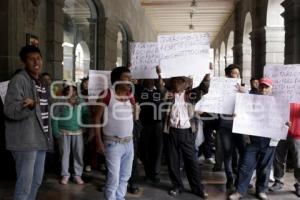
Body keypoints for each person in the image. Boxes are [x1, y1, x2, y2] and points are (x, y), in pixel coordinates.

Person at [4, 45, 53, 200]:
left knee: (36, 182)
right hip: (25, 141)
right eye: (31, 59)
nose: (36, 62)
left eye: (38, 58)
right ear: (24, 62)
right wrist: (29, 106)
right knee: (25, 185)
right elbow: (10, 110)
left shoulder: (42, 83)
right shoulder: (19, 80)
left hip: (40, 140)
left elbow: (47, 109)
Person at [229, 78, 290, 200]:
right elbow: (242, 111)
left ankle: (262, 190)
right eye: (261, 87)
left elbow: (282, 120)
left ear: (271, 88)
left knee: (265, 168)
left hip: (269, 141)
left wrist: (286, 123)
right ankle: (240, 191)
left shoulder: (278, 103)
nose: (263, 89)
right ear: (258, 87)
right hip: (252, 140)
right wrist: (237, 115)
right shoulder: (251, 100)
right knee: (245, 166)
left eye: (266, 87)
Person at [94, 67, 139, 200]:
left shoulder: (130, 96)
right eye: (127, 78)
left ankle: (120, 198)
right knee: (113, 179)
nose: (130, 81)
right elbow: (96, 119)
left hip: (129, 143)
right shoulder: (107, 94)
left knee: (125, 177)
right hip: (112, 144)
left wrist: (136, 112)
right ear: (117, 80)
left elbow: (133, 118)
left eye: (131, 78)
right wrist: (99, 142)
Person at [162, 76, 207, 199]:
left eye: (180, 82)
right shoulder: (168, 95)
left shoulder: (190, 95)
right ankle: (177, 186)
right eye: (174, 82)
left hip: (186, 132)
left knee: (192, 161)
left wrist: (207, 75)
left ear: (185, 84)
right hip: (171, 132)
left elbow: (204, 87)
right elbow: (161, 88)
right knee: (173, 161)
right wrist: (160, 76)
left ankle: (197, 188)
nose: (177, 84)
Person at [52, 83, 88, 185]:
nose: (71, 94)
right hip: (63, 132)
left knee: (78, 154)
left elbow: (86, 114)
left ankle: (77, 175)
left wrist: (86, 127)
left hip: (78, 132)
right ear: (65, 93)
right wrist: (55, 131)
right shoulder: (60, 102)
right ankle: (65, 175)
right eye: (68, 92)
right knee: (64, 154)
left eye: (73, 92)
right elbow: (54, 117)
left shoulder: (81, 102)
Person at [218, 64, 246, 192]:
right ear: (228, 75)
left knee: (243, 152)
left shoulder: (242, 88)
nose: (237, 75)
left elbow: (250, 104)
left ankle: (240, 178)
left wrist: (243, 93)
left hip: (239, 124)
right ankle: (229, 178)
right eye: (234, 73)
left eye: (238, 73)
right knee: (228, 152)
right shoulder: (220, 88)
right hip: (225, 125)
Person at [138, 66, 165, 184]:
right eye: (147, 80)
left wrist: (159, 74)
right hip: (145, 125)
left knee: (157, 150)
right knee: (144, 150)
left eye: (152, 80)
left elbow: (161, 86)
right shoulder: (140, 92)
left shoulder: (159, 92)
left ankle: (156, 173)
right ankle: (148, 172)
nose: (150, 82)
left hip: (158, 125)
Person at [269, 103, 300, 197]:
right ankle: (278, 181)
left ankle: (299, 184)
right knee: (278, 159)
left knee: (298, 161)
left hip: (297, 133)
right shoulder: (282, 93)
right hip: (281, 131)